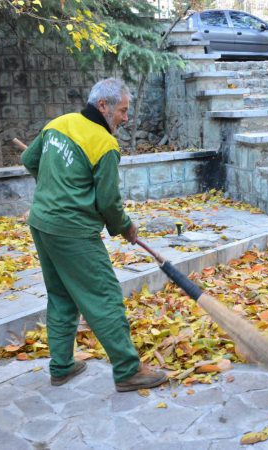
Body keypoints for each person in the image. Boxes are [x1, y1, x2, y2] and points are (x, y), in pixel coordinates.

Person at [21, 78, 167, 392]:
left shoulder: (58, 123)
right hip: (72, 231)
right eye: (123, 111)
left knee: (61, 296)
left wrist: (56, 186)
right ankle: (128, 370)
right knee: (104, 297)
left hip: (42, 223)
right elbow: (108, 203)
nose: (126, 118)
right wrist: (125, 226)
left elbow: (29, 160)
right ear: (103, 106)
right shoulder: (104, 144)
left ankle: (61, 366)